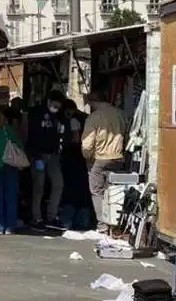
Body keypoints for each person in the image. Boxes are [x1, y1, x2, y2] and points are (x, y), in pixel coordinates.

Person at [82, 91, 127, 232]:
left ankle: (102, 225)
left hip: (100, 159)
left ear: (93, 102)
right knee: (115, 191)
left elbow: (87, 144)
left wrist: (86, 156)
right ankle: (116, 224)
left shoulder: (94, 117)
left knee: (97, 191)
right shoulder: (121, 114)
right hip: (118, 158)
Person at [27, 90, 66, 230]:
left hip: (53, 155)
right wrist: (35, 156)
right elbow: (31, 135)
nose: (56, 108)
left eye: (59, 107)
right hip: (38, 155)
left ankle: (52, 216)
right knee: (39, 187)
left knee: (58, 184)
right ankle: (36, 217)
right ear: (49, 101)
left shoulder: (58, 116)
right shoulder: (36, 113)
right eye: (55, 105)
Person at [59, 99, 92, 229]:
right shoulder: (86, 118)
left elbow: (75, 138)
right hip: (83, 157)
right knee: (83, 189)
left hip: (73, 155)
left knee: (70, 189)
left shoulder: (73, 119)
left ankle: (68, 219)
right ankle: (83, 220)